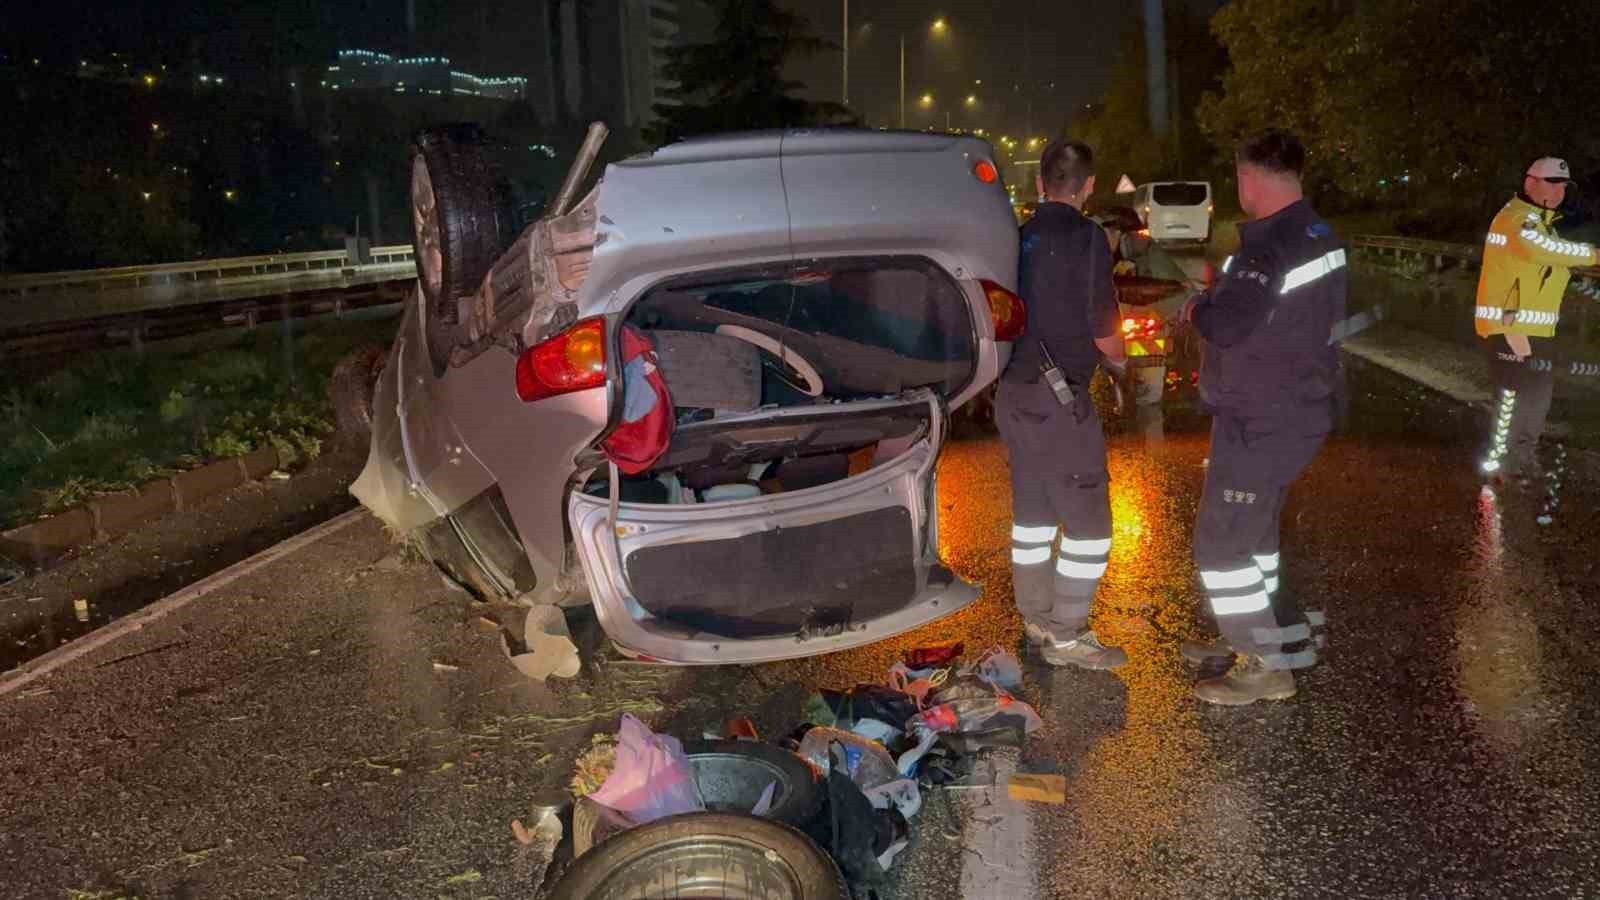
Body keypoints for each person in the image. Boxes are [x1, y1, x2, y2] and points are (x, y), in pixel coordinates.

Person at [1177, 129, 1346, 705]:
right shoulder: (1318, 233)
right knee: (1257, 538)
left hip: (1264, 416)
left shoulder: (1267, 247)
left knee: (1222, 545)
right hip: (1290, 407)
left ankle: (1264, 664)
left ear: (1249, 177)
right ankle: (1256, 633)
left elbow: (1228, 325)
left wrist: (1196, 308)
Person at [997, 139, 1129, 669]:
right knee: (1089, 523)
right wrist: (1120, 361)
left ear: (1039, 183)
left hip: (1013, 394)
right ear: (1089, 186)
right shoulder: (1087, 237)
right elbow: (1104, 327)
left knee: (1033, 513)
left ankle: (1036, 619)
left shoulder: (1015, 237)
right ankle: (1068, 635)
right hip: (1058, 399)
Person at [1474, 157, 1598, 482]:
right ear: (1530, 182)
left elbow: (1553, 259)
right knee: (1514, 398)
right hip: (1509, 326)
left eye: (1563, 186)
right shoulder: (1516, 218)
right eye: (1551, 183)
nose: (1558, 192)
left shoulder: (1544, 225)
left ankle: (1523, 460)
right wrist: (1595, 255)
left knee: (1536, 398)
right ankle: (1502, 466)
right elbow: (1539, 249)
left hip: (1536, 329)